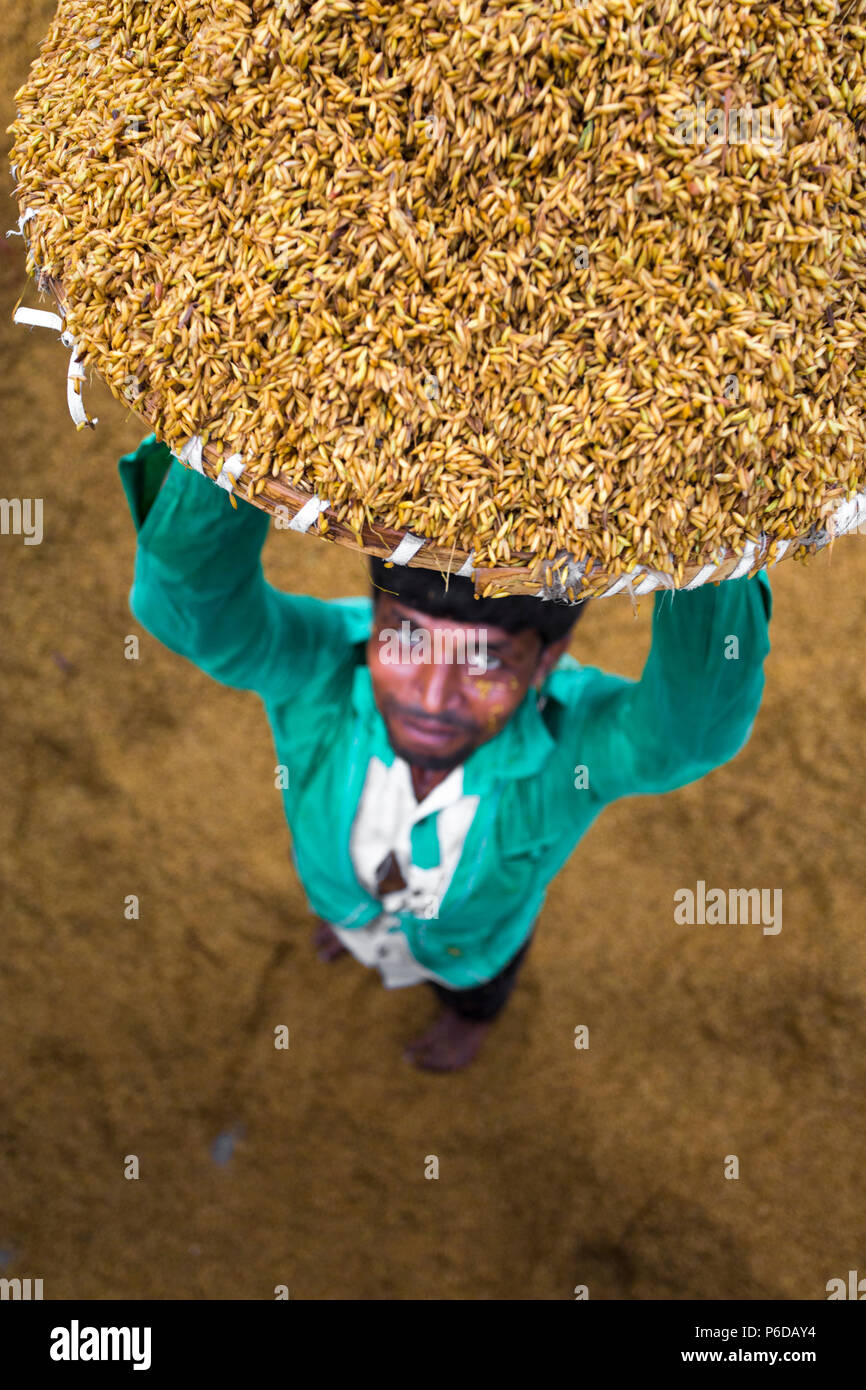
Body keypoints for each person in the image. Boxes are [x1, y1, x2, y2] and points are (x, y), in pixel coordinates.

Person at [119, 433, 772, 1071]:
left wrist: (705, 543)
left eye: (485, 662)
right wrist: (226, 434)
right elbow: (186, 610)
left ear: (546, 662)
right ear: (372, 622)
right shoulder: (322, 667)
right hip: (335, 891)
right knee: (351, 909)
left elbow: (686, 733)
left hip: (477, 945)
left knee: (475, 989)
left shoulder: (571, 746)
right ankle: (356, 920)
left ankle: (467, 1021)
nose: (434, 696)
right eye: (406, 641)